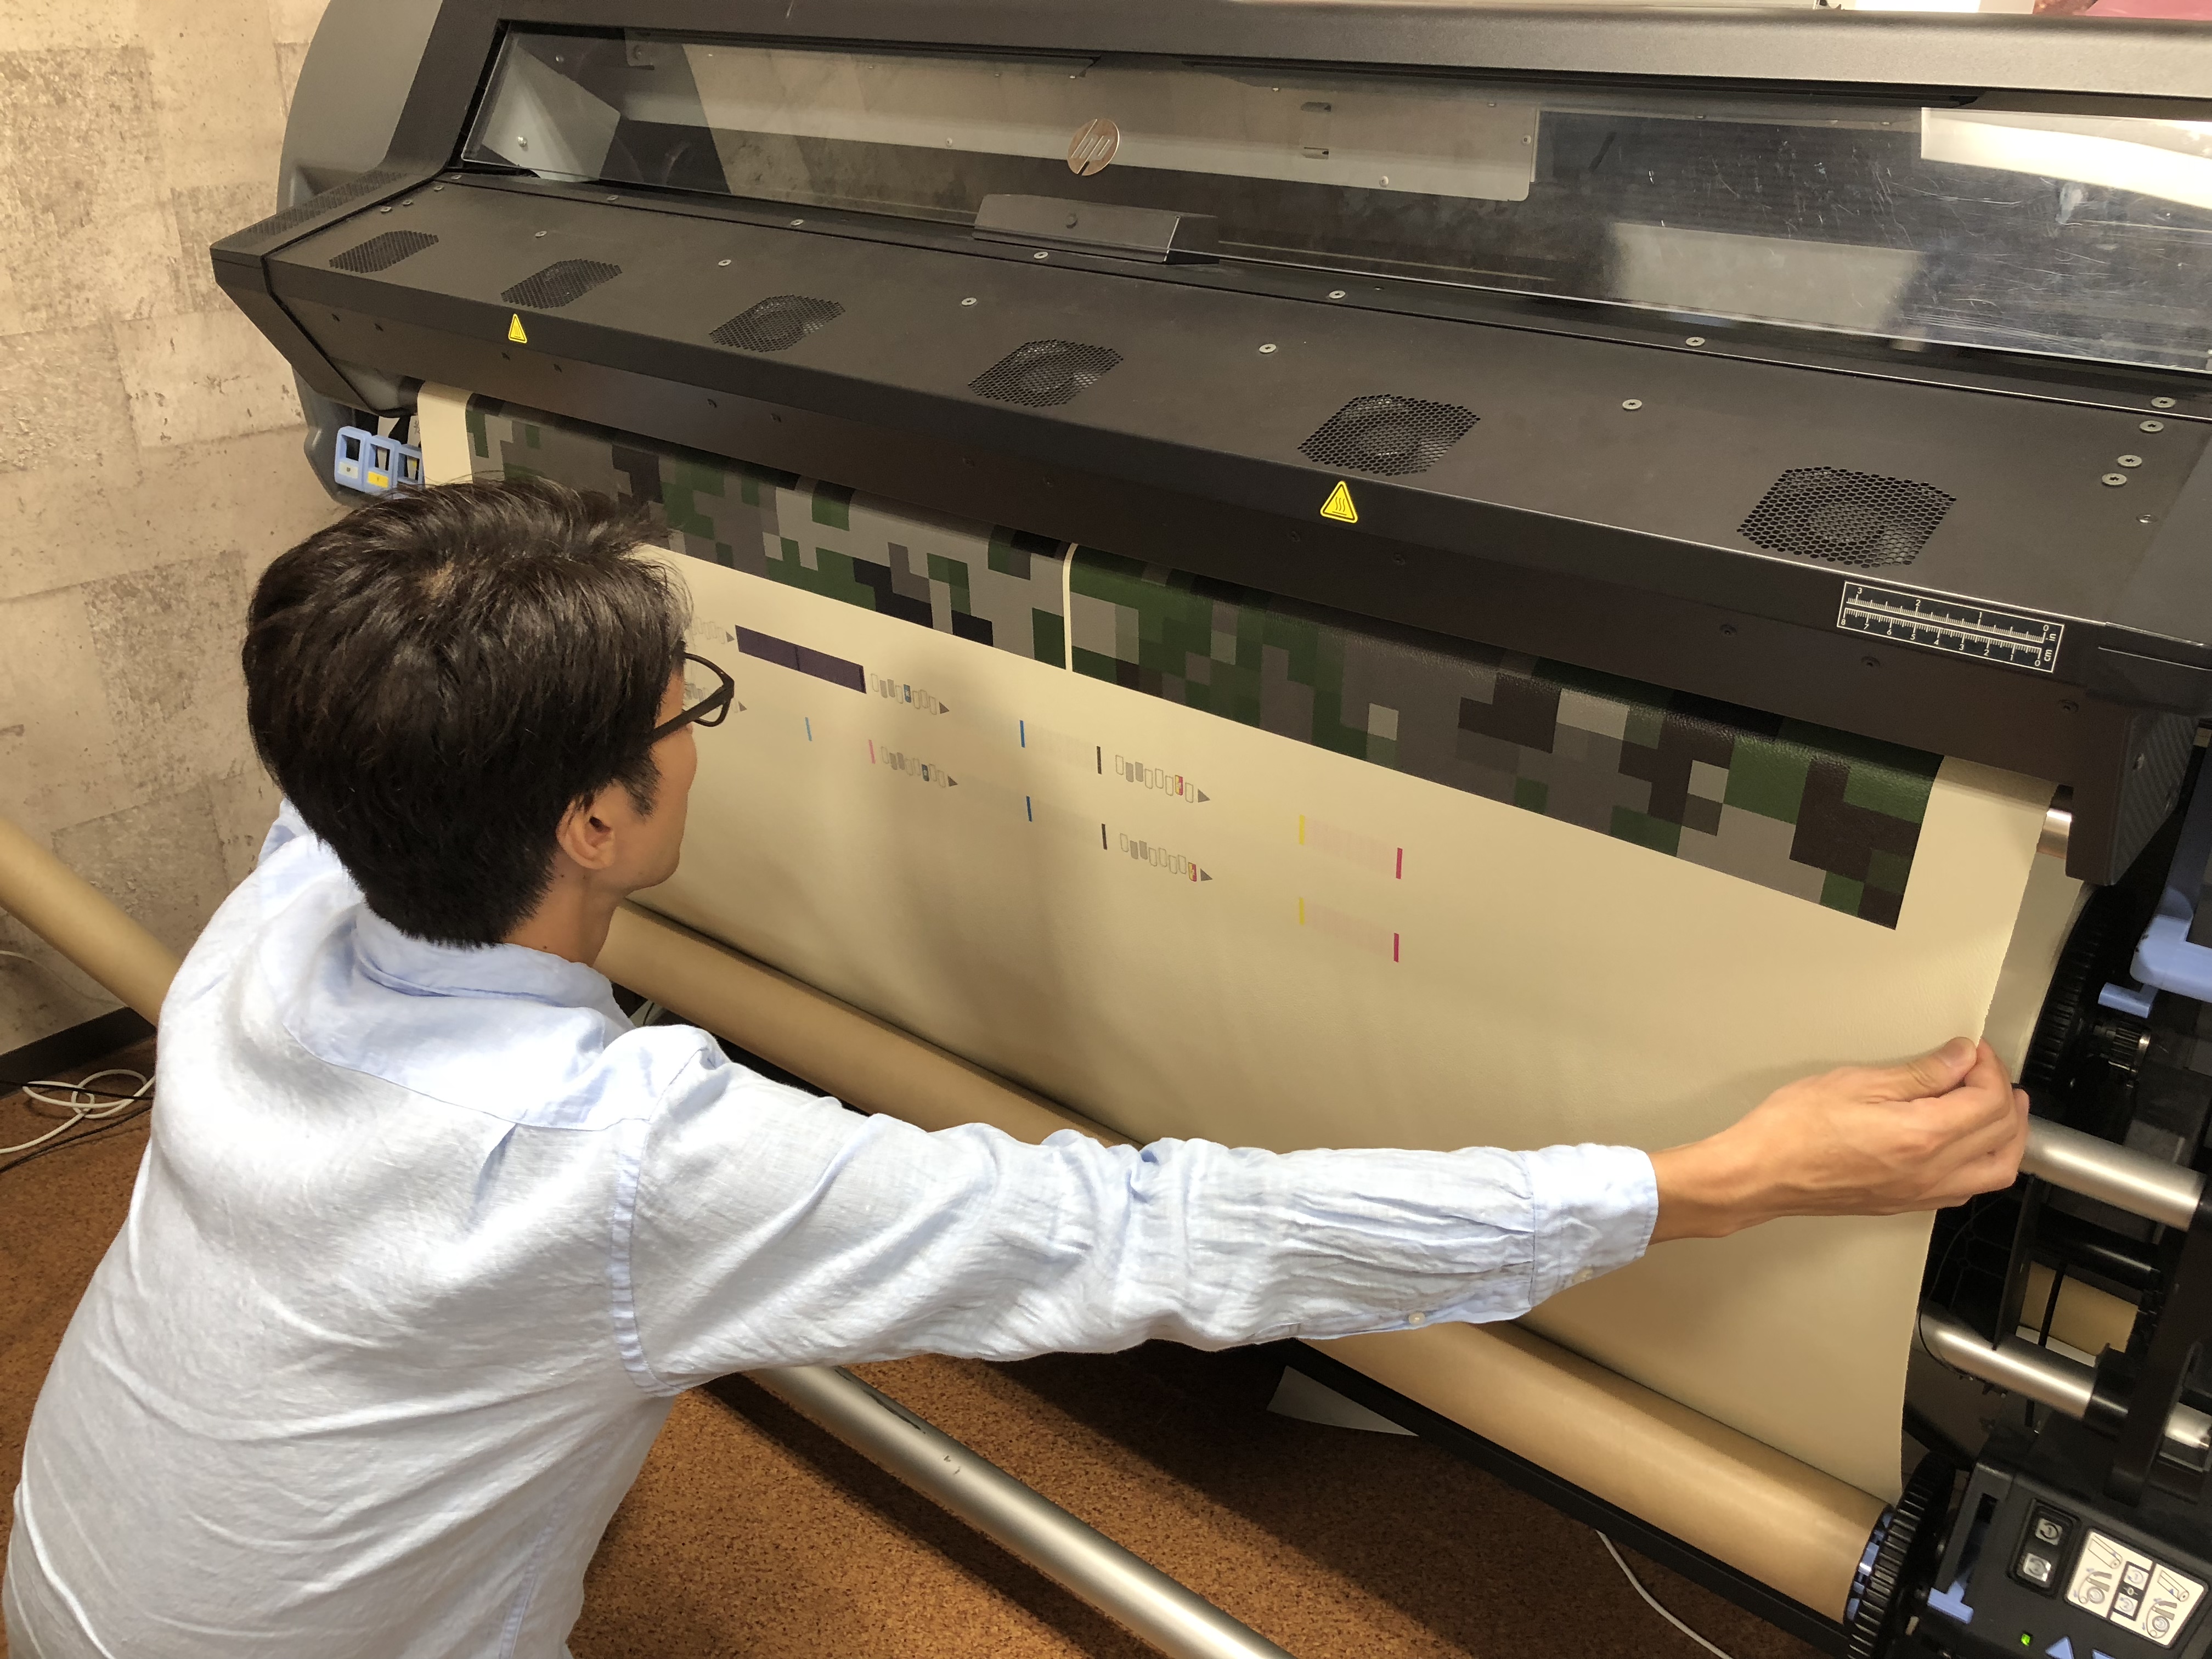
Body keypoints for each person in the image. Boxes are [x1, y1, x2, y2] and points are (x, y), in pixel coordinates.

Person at [3, 480, 2029, 1659]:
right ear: (600, 819)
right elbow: (1163, 1238)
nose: (699, 727)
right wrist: (1715, 1180)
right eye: (685, 704)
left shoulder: (291, 894)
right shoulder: (617, 1164)